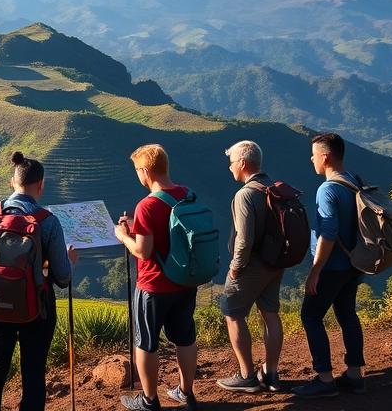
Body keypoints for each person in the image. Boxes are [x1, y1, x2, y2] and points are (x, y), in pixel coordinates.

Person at [0, 151, 78, 411]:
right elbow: (62, 277)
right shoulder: (47, 222)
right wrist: (70, 260)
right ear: (41, 185)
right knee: (33, 372)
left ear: (12, 182)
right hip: (36, 309)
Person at [116, 144, 199, 411]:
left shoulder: (147, 205)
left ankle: (149, 400)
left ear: (146, 171)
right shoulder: (187, 194)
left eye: (138, 171)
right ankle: (186, 392)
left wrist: (123, 235)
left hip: (154, 285)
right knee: (185, 336)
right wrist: (136, 227)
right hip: (185, 280)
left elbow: (143, 250)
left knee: (147, 342)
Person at [294, 132, 367, 398]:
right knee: (347, 315)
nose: (311, 158)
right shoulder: (353, 181)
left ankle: (324, 379)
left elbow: (328, 232)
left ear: (325, 157)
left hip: (333, 267)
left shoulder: (327, 189)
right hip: (354, 264)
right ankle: (355, 375)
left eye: (314, 154)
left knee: (311, 316)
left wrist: (315, 270)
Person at [216, 140, 285, 393]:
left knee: (232, 313)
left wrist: (235, 266)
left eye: (232, 163)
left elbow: (244, 239)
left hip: (251, 266)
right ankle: (271, 374)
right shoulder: (273, 188)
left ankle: (246, 375)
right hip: (275, 263)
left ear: (243, 163)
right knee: (270, 314)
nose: (230, 168)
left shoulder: (246, 194)